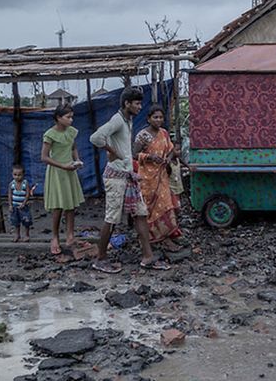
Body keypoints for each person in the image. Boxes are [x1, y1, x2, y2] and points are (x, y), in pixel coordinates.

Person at [89, 87, 169, 273]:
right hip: (115, 176)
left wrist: (120, 155)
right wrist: (112, 152)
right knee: (112, 218)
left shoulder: (127, 120)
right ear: (127, 104)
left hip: (127, 175)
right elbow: (96, 138)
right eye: (137, 103)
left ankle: (148, 257)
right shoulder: (118, 120)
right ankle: (100, 258)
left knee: (141, 214)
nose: (140, 107)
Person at [133, 105, 183, 247]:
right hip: (147, 178)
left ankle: (166, 233)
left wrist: (168, 158)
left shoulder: (164, 133)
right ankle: (149, 236)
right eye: (155, 117)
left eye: (161, 117)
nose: (158, 120)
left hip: (162, 175)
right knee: (149, 207)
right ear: (149, 119)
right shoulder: (143, 135)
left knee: (166, 204)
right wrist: (150, 157)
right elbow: (135, 155)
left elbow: (172, 150)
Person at [41, 104, 85, 255]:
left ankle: (70, 236)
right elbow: (44, 157)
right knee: (58, 206)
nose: (71, 120)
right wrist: (62, 166)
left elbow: (73, 148)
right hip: (58, 172)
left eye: (72, 117)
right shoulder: (50, 134)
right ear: (58, 118)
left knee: (71, 205)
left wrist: (77, 161)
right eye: (68, 117)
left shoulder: (71, 132)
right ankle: (54, 237)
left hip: (70, 170)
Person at [9, 164, 34, 243]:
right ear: (12, 174)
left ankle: (26, 235)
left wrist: (24, 203)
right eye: (15, 175)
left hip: (23, 207)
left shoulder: (25, 183)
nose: (17, 177)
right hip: (14, 206)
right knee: (15, 221)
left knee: (26, 221)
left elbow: (27, 194)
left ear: (23, 175)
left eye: (19, 175)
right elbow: (9, 194)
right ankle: (17, 234)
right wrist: (10, 205)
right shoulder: (12, 184)